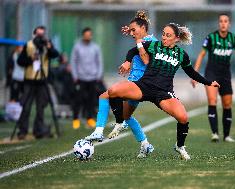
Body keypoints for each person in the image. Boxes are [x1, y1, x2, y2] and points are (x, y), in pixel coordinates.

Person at [88, 23, 220, 161]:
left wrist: (209, 82)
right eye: (163, 34)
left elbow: (192, 73)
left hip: (163, 93)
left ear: (176, 38)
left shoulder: (181, 55)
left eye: (168, 35)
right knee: (113, 91)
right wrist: (127, 61)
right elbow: (133, 51)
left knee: (183, 118)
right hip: (144, 86)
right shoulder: (154, 45)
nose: (164, 37)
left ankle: (180, 146)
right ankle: (120, 122)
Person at [86, 10, 157, 158]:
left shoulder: (152, 42)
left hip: (139, 85)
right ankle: (145, 145)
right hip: (134, 83)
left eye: (134, 30)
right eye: (130, 30)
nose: (131, 33)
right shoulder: (143, 41)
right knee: (127, 115)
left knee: (105, 95)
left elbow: (145, 59)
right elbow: (135, 51)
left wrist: (128, 60)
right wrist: (133, 36)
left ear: (143, 28)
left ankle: (99, 130)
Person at [191, 14, 235, 142]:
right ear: (218, 23)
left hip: (225, 75)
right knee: (212, 100)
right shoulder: (211, 38)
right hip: (211, 74)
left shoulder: (233, 38)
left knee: (227, 104)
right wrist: (194, 74)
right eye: (221, 21)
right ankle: (215, 133)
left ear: (229, 24)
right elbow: (201, 55)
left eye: (225, 21)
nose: (223, 23)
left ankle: (226, 135)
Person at [17, 25, 59, 140]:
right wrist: (31, 59)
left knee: (41, 108)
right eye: (39, 35)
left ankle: (38, 130)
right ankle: (22, 131)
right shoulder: (28, 45)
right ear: (34, 35)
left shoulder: (46, 45)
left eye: (42, 35)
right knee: (26, 107)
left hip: (42, 80)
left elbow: (55, 55)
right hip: (29, 81)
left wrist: (49, 47)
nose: (40, 37)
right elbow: (20, 61)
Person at [70, 27, 104, 129]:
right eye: (86, 35)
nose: (88, 36)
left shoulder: (95, 47)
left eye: (90, 35)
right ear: (83, 35)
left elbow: (99, 62)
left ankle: (90, 118)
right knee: (78, 99)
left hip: (93, 78)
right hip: (80, 78)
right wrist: (75, 75)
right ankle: (75, 119)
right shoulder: (77, 47)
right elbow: (73, 61)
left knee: (91, 99)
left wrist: (99, 75)